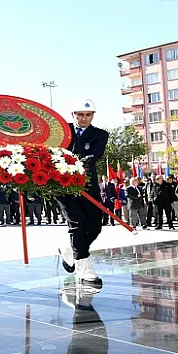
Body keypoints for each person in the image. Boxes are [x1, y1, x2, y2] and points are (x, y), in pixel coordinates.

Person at [57, 99, 109, 288]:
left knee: (95, 224)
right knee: (77, 224)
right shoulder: (61, 130)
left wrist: (76, 162)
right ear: (73, 114)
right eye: (80, 114)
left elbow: (95, 154)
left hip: (87, 184)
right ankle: (84, 268)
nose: (84, 118)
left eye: (88, 115)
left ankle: (70, 251)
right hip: (62, 185)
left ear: (93, 116)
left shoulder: (100, 134)